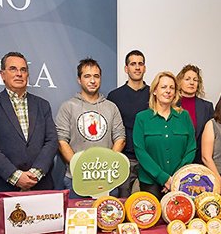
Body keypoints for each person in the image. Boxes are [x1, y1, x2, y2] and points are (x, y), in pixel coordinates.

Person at [0, 52, 58, 192]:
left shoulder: (42, 105)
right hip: (4, 187)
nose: (19, 74)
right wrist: (15, 176)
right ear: (2, 74)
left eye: (23, 70)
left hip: (40, 185)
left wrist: (36, 173)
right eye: (13, 69)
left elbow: (51, 141)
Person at [56, 57, 125, 197]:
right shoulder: (68, 107)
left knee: (108, 218)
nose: (92, 80)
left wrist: (106, 167)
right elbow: (61, 141)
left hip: (108, 180)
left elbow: (120, 138)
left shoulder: (111, 107)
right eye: (87, 76)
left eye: (96, 76)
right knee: (78, 218)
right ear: (79, 79)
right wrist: (80, 166)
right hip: (76, 179)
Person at [133, 71, 196, 200]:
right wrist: (164, 178)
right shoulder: (142, 118)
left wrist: (175, 178)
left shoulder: (184, 116)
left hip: (181, 182)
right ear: (155, 91)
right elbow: (140, 151)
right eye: (164, 87)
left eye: (171, 88)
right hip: (150, 183)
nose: (168, 91)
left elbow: (191, 148)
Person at [107, 50, 150, 197]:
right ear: (126, 68)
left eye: (140, 64)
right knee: (123, 201)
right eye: (133, 64)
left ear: (144, 68)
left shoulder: (154, 94)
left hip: (149, 160)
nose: (137, 67)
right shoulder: (114, 96)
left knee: (148, 203)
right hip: (124, 159)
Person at [177, 64, 213, 163]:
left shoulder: (207, 107)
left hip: (199, 160)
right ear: (180, 82)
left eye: (195, 80)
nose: (191, 82)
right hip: (175, 160)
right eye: (187, 79)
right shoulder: (171, 105)